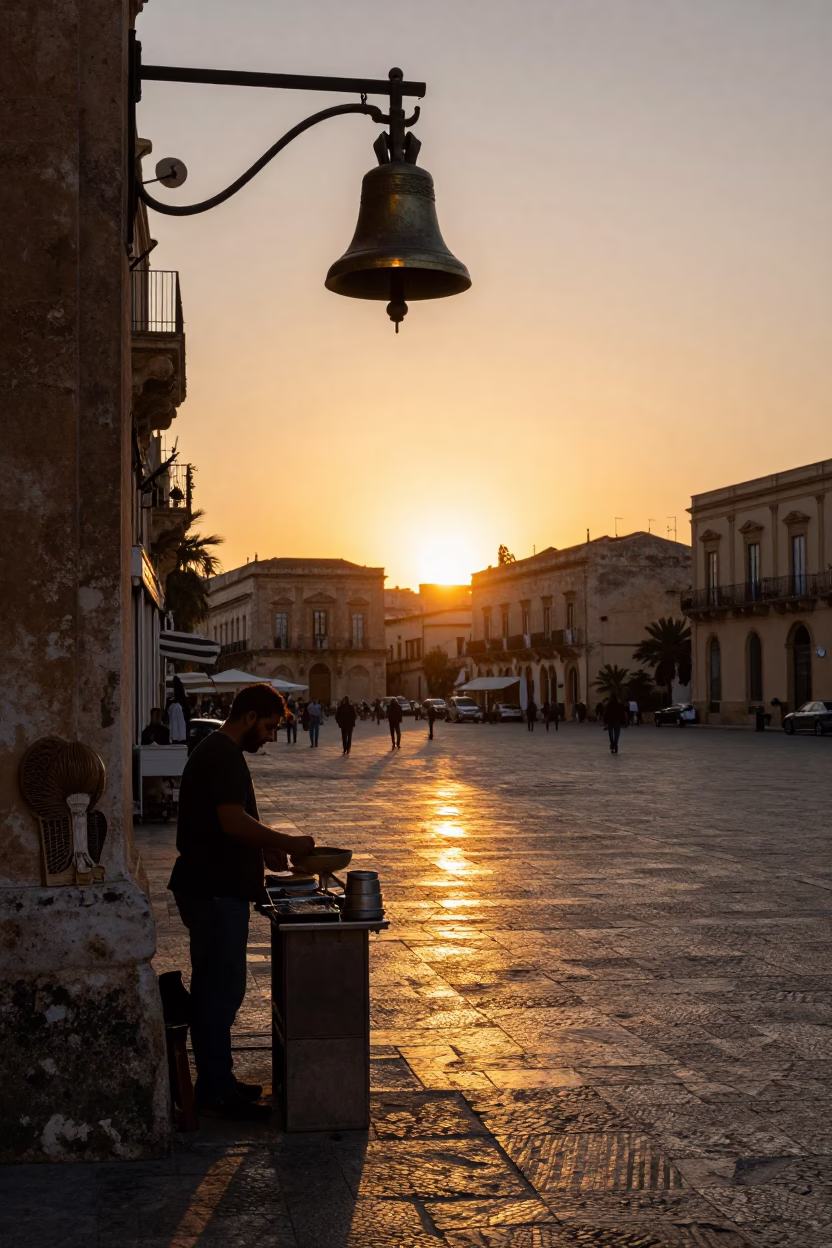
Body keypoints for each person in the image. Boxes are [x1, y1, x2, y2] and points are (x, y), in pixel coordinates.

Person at [169, 682, 315, 1121]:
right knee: (220, 991)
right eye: (269, 727)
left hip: (211, 888)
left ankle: (219, 1079)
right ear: (250, 717)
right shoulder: (222, 755)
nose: (271, 736)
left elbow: (235, 821)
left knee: (219, 988)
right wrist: (289, 841)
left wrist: (264, 848)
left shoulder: (220, 752)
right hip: (214, 892)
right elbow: (232, 822)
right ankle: (214, 1090)